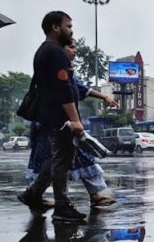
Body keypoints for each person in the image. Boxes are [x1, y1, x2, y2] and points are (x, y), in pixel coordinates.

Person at [25, 43, 118, 208]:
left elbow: (82, 89)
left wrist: (104, 98)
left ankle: (88, 196)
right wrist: (75, 120)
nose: (75, 50)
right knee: (52, 162)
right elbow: (65, 94)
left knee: (77, 158)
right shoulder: (55, 69)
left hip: (65, 124)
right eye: (71, 47)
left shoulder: (67, 71)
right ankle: (43, 198)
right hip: (52, 125)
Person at [18, 11, 86, 222]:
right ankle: (62, 207)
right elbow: (62, 88)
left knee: (57, 157)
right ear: (55, 27)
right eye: (68, 26)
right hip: (60, 116)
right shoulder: (56, 53)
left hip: (49, 114)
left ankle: (33, 194)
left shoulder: (43, 51)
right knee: (62, 160)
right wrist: (74, 119)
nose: (71, 30)